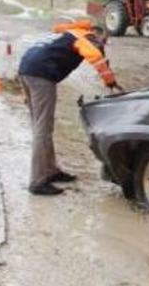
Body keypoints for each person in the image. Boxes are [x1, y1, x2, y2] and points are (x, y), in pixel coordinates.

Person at [18, 19, 123, 195]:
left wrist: (25, 91)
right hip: (42, 75)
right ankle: (37, 181)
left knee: (42, 127)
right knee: (42, 129)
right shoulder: (84, 36)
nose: (102, 44)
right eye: (103, 40)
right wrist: (110, 80)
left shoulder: (65, 34)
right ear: (95, 34)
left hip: (27, 70)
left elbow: (34, 55)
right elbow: (96, 57)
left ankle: (50, 170)